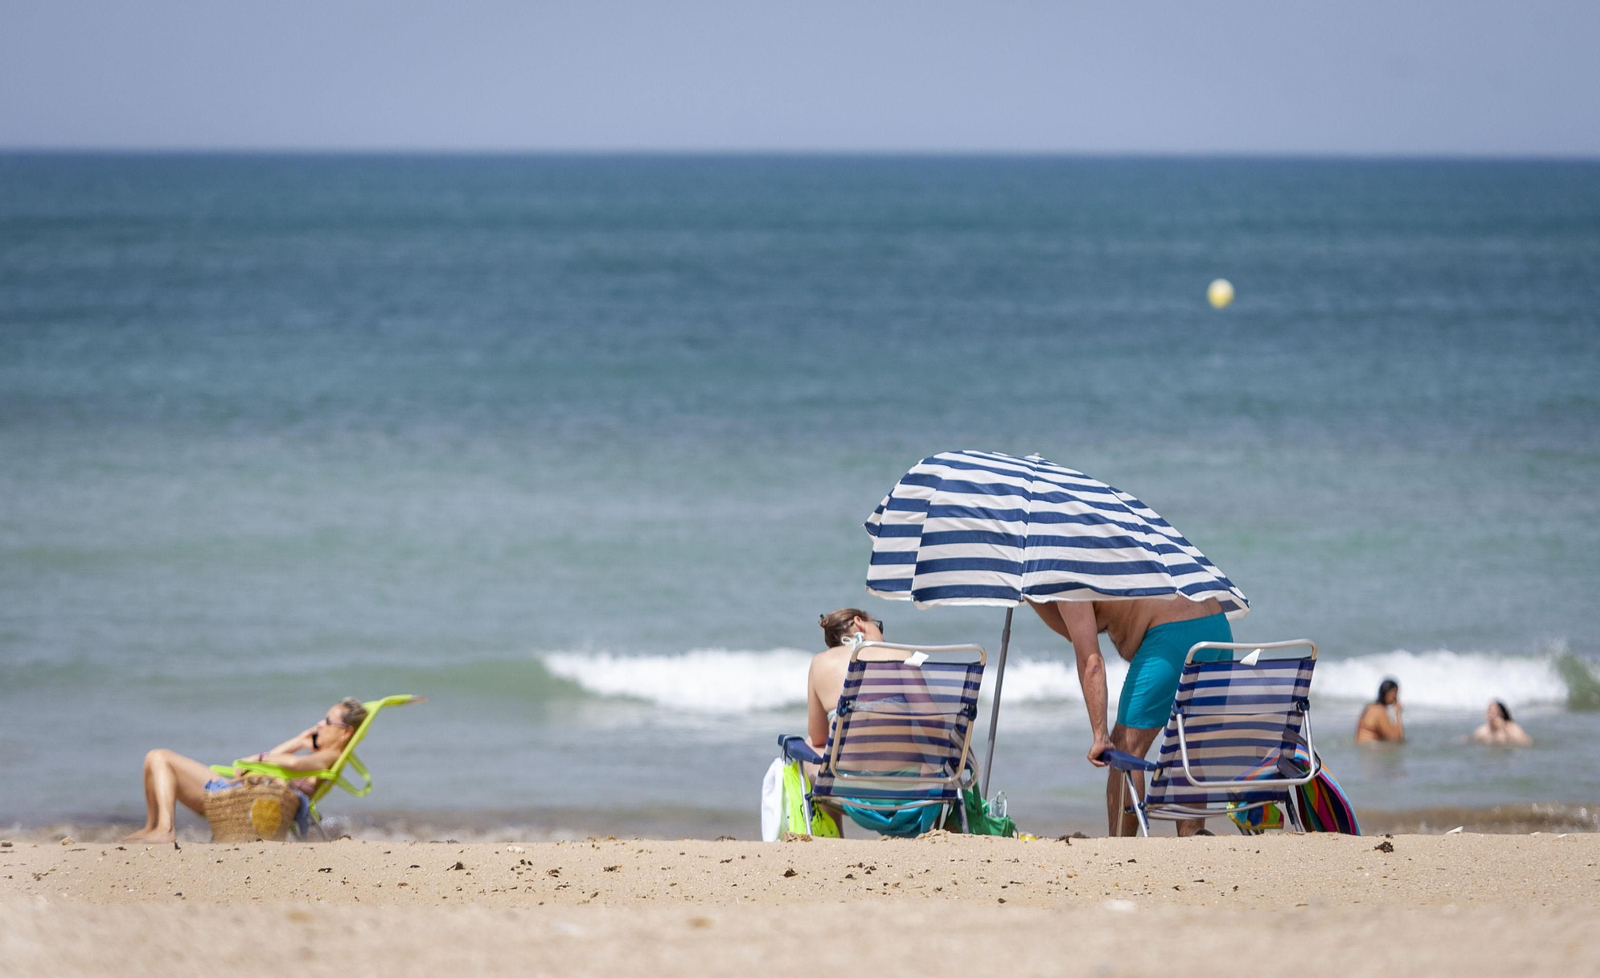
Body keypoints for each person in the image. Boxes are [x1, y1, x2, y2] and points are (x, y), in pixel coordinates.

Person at [1032, 595, 1232, 837]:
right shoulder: (1106, 557)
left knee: (1126, 751)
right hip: (1218, 628)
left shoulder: (1067, 573)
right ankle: (1192, 841)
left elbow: (1091, 662)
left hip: (1173, 634)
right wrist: (1029, 594)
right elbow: (1073, 627)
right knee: (1189, 750)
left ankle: (1120, 847)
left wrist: (1100, 736)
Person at [123, 697, 368, 843]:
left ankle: (165, 829)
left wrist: (260, 757)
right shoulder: (318, 753)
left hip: (238, 797)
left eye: (327, 721)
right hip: (240, 792)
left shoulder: (330, 755)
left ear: (345, 732)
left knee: (160, 757)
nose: (319, 725)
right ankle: (152, 827)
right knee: (153, 759)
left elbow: (294, 765)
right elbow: (279, 762)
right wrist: (298, 742)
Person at [1356, 679, 1404, 744]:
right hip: (1370, 747)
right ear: (1390, 693)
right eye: (1396, 693)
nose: (1396, 698)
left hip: (1362, 747)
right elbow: (1396, 738)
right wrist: (1397, 713)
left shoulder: (1369, 707)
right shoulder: (1380, 711)